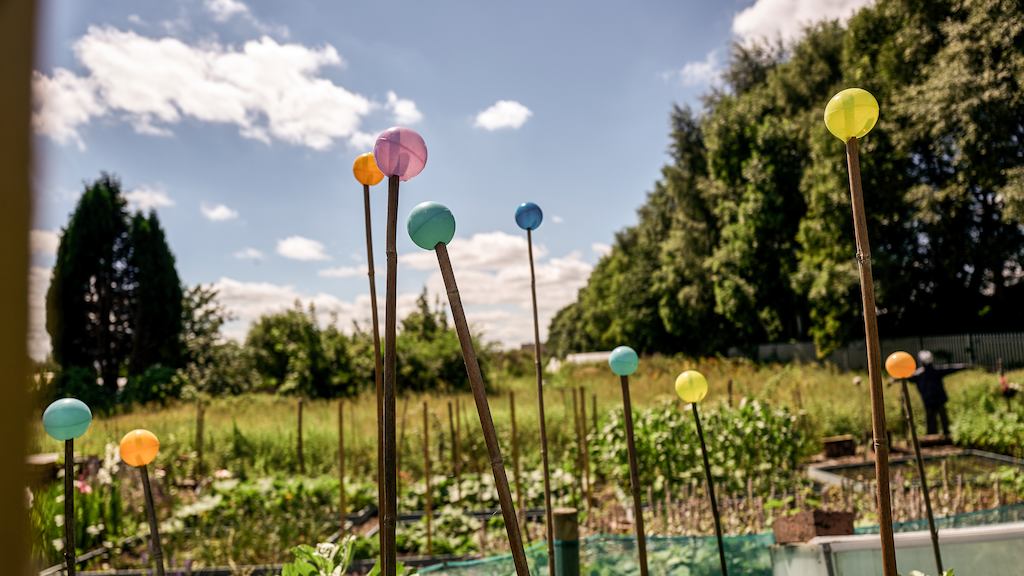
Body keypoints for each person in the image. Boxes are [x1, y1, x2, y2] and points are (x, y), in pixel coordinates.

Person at [908, 350, 967, 436]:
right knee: (937, 418)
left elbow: (951, 369)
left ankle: (937, 434)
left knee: (936, 418)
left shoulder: (920, 374)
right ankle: (941, 434)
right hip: (934, 400)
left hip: (933, 400)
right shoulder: (923, 373)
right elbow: (951, 369)